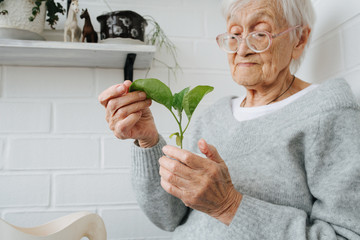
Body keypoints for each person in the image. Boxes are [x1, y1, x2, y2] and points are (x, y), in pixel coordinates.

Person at [98, 0, 360, 239]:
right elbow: (169, 217)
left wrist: (229, 206)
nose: (242, 49)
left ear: (299, 39)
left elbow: (346, 235)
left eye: (260, 34)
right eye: (234, 35)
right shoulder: (214, 115)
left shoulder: (329, 110)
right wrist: (147, 140)